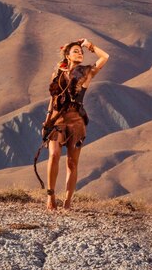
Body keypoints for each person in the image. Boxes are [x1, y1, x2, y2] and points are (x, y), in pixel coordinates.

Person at [42, 38, 109, 211]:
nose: (80, 53)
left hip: (76, 121)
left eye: (81, 52)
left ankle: (68, 201)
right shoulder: (57, 73)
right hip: (56, 120)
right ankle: (50, 197)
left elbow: (105, 57)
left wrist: (89, 45)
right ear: (67, 54)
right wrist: (47, 119)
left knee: (72, 163)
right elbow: (53, 99)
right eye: (76, 51)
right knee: (54, 155)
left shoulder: (86, 72)